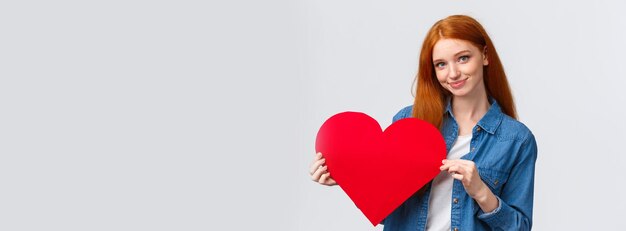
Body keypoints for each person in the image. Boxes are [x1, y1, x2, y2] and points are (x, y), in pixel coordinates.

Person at [309, 15, 538, 231]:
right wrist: (350, 178)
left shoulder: (516, 140)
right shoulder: (409, 122)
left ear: (485, 56)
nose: (453, 73)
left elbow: (519, 227)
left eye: (463, 58)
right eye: (441, 64)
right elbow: (387, 213)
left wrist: (481, 192)